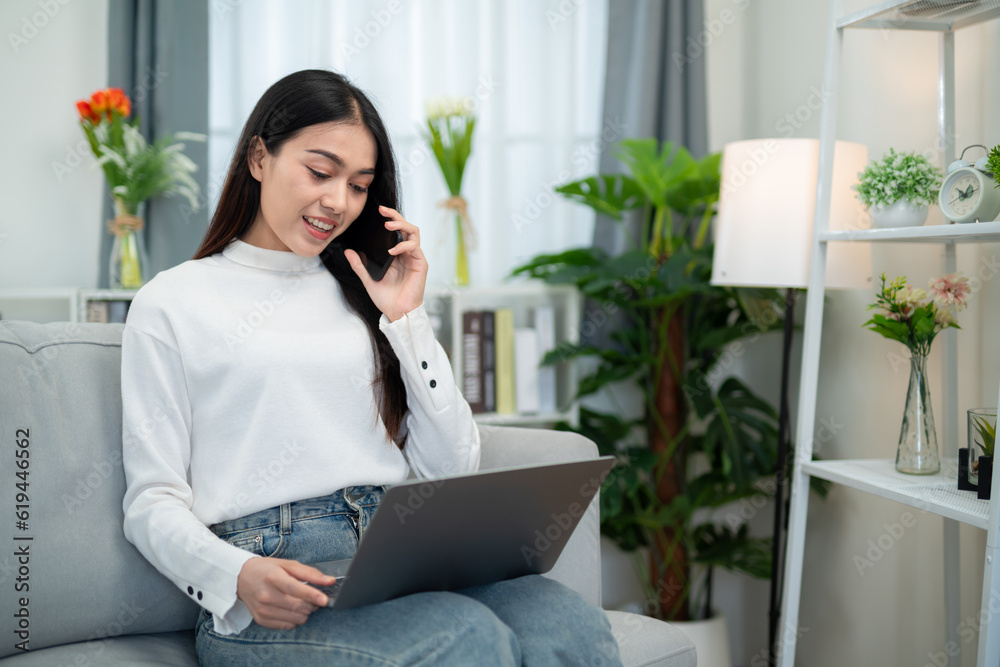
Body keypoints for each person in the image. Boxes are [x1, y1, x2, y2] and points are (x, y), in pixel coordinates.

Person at [120, 69, 623, 666]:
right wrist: (237, 574)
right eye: (320, 171)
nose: (338, 202)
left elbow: (452, 463)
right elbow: (150, 499)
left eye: (359, 185)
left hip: (397, 553)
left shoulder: (366, 292)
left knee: (567, 624)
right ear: (259, 156)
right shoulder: (172, 301)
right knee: (462, 637)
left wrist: (406, 321)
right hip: (277, 581)